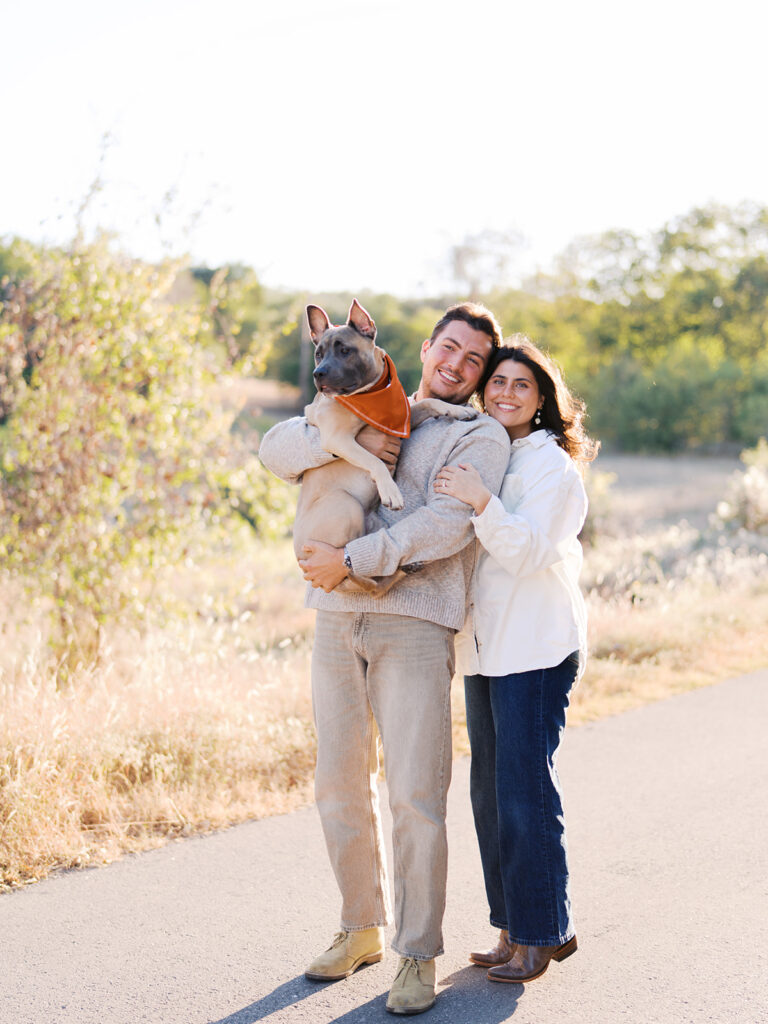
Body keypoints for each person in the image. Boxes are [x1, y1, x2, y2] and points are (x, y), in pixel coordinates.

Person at [258, 303, 510, 1015]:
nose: (456, 366)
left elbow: (445, 526)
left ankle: (416, 955)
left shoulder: (478, 434)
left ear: (481, 374)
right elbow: (275, 450)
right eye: (449, 349)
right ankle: (359, 927)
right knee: (337, 784)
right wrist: (339, 441)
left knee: (414, 796)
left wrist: (352, 558)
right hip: (336, 619)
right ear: (425, 348)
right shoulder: (358, 400)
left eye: (473, 361)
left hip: (415, 625)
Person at [434, 335, 598, 985]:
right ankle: (515, 927)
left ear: (542, 400)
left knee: (525, 793)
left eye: (520, 385)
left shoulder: (552, 467)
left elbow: (527, 552)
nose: (505, 392)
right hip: (485, 647)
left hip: (535, 647)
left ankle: (543, 932)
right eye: (496, 382)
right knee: (490, 795)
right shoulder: (489, 451)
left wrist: (479, 500)